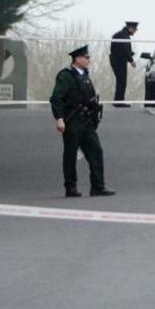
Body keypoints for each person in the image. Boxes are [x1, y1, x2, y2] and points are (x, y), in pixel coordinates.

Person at [50, 45, 115, 197]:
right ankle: (70, 186)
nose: (89, 60)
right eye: (87, 57)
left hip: (86, 121)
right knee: (71, 153)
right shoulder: (66, 76)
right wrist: (59, 118)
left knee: (96, 151)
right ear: (77, 59)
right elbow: (56, 98)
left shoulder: (85, 75)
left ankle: (98, 186)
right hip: (72, 120)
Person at [109, 21, 138, 107]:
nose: (135, 31)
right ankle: (118, 101)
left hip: (119, 60)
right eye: (135, 29)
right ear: (131, 28)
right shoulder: (122, 36)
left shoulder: (123, 35)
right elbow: (124, 49)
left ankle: (118, 100)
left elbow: (125, 49)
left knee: (121, 80)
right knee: (121, 81)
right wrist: (131, 60)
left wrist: (131, 54)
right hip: (118, 60)